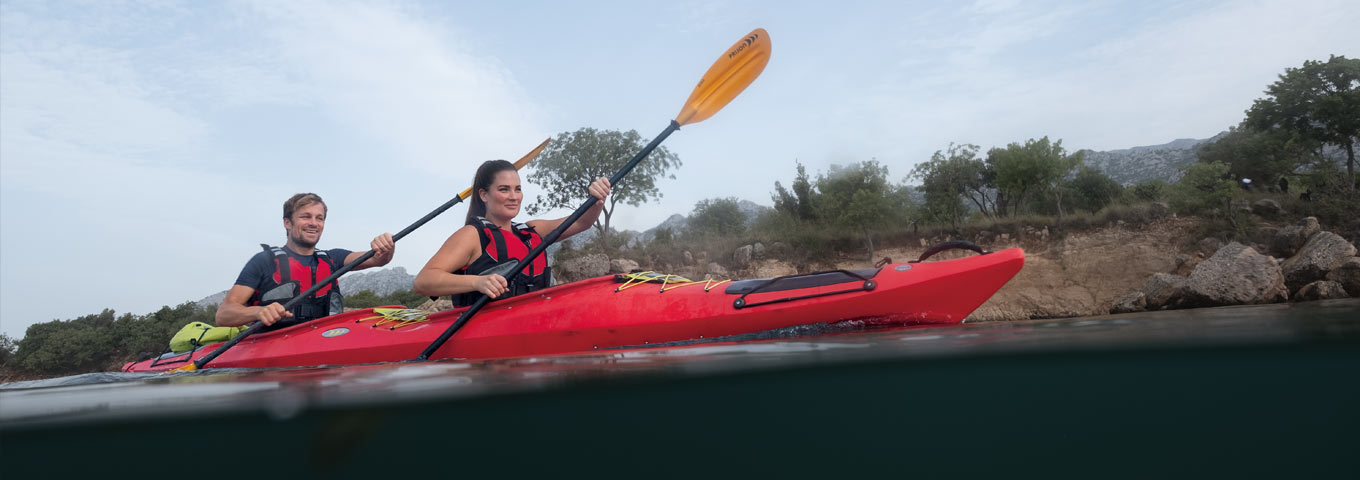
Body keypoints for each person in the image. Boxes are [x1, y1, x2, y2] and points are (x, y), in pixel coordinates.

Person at [414, 160, 609, 304]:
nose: (514, 197)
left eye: (518, 189)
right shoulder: (472, 235)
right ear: (484, 195)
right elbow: (423, 281)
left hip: (535, 326)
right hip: (486, 339)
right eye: (504, 189)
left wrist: (597, 199)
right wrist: (477, 282)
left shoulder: (533, 230)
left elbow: (582, 221)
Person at [216, 193, 395, 328]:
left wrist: (386, 246)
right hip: (273, 344)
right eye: (305, 216)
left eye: (320, 218)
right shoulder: (263, 261)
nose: (314, 223)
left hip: (324, 339)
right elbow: (223, 315)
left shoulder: (333, 258)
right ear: (287, 223)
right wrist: (258, 311)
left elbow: (378, 260)